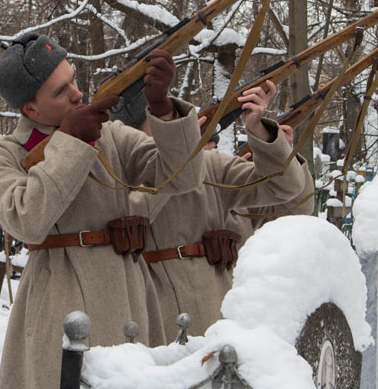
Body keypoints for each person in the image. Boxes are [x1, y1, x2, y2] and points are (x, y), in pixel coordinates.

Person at [0, 33, 205, 389]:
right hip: (60, 298)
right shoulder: (1, 154)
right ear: (29, 109)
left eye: (73, 80)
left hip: (131, 292)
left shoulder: (112, 135)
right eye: (59, 91)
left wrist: (162, 109)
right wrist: (70, 143)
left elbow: (185, 178)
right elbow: (26, 220)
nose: (77, 94)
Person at [111, 81, 312, 339]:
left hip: (220, 321)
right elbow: (131, 214)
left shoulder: (212, 165)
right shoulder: (116, 175)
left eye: (171, 120)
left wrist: (266, 138)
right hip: (154, 325)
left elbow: (291, 200)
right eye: (159, 123)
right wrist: (178, 163)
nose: (170, 127)